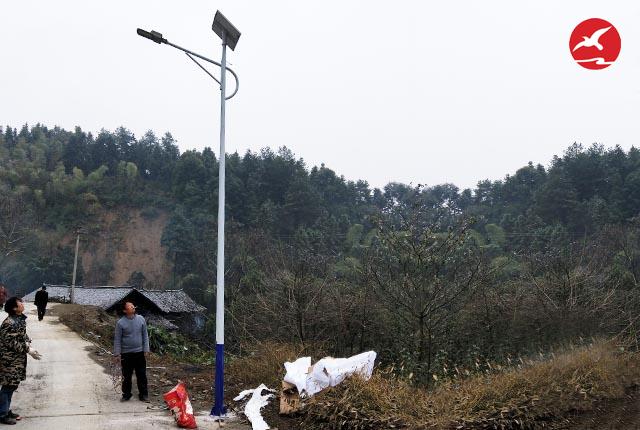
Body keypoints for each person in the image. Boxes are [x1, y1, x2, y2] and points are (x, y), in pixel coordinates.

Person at [0, 297, 42, 425]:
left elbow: (22, 335)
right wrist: (28, 349)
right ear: (14, 308)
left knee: (12, 385)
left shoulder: (19, 319)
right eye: (20, 303)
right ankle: (2, 414)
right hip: (9, 360)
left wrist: (28, 341)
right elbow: (11, 342)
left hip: (17, 359)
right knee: (8, 386)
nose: (23, 304)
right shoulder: (8, 323)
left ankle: (6, 410)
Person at [113, 302, 150, 402]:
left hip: (139, 352)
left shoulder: (141, 319)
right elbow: (117, 339)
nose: (133, 307)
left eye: (133, 305)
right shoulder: (120, 323)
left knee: (141, 374)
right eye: (130, 306)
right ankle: (126, 394)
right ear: (125, 310)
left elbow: (145, 335)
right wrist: (117, 354)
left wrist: (146, 349)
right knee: (126, 375)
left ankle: (143, 394)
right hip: (126, 354)